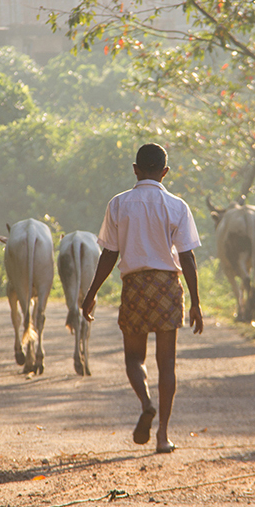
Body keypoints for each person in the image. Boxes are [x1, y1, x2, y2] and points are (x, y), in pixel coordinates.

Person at [81, 142, 203, 454]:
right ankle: (163, 436)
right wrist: (197, 303)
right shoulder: (177, 205)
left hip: (134, 286)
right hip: (167, 287)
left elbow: (109, 253)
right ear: (165, 172)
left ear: (135, 169)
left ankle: (146, 403)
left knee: (134, 358)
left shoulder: (119, 204)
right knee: (167, 364)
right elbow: (187, 258)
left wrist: (91, 294)